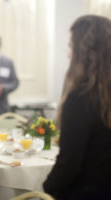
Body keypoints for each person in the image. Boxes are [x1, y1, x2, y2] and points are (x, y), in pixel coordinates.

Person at [43, 15, 111, 200]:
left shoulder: (80, 99)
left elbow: (69, 164)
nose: (68, 54)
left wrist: (46, 189)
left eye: (71, 46)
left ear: (84, 52)